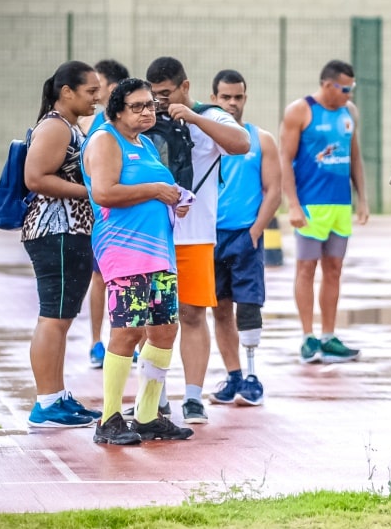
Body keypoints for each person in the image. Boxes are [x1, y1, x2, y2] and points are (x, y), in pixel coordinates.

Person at [81, 77, 195, 445]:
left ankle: (147, 416)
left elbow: (154, 190)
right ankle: (109, 418)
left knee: (164, 330)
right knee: (127, 332)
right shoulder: (104, 140)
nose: (148, 112)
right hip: (124, 251)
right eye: (138, 106)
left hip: (158, 251)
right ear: (116, 110)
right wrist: (155, 190)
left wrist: (174, 198)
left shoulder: (143, 143)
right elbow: (103, 192)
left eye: (150, 105)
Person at [146, 57, 250, 424]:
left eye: (166, 93)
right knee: (152, 316)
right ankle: (153, 396)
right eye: (154, 94)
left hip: (195, 236)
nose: (159, 101)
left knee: (192, 313)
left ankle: (192, 397)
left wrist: (192, 118)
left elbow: (241, 143)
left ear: (185, 87)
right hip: (151, 234)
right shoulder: (144, 116)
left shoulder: (212, 116)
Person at [22, 61, 103, 428]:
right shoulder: (56, 127)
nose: (97, 98)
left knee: (61, 318)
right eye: (90, 91)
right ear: (66, 91)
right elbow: (36, 178)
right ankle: (46, 403)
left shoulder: (67, 126)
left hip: (69, 231)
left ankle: (56, 395)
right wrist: (92, 192)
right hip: (56, 231)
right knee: (53, 318)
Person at [279, 59, 369, 364]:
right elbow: (284, 160)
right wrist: (291, 203)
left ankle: (329, 336)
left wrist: (363, 200)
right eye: (345, 88)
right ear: (328, 84)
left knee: (334, 270)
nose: (349, 94)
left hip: (340, 205)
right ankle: (308, 337)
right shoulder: (300, 111)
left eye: (352, 89)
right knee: (306, 269)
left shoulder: (349, 113)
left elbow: (355, 158)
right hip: (310, 205)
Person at [207, 69, 282, 407]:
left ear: (245, 99)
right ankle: (233, 374)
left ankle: (252, 376)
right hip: (208, 238)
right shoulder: (202, 140)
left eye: (238, 97)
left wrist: (254, 233)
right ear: (214, 99)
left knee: (248, 307)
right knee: (219, 308)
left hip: (245, 237)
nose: (232, 103)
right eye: (226, 97)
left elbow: (274, 192)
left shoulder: (260, 139)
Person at [79, 59, 131, 368]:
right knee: (99, 277)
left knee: (126, 279)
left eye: (99, 85)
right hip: (102, 213)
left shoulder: (127, 122)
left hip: (128, 212)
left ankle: (123, 338)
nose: (95, 93)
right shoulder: (93, 122)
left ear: (112, 87)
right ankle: (96, 342)